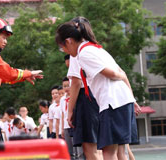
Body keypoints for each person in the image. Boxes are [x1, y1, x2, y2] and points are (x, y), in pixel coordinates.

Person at [55, 16, 141, 160]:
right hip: (120, 100)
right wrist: (131, 97)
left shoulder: (83, 54)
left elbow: (113, 73)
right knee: (119, 150)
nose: (65, 51)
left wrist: (117, 75)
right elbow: (121, 72)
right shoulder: (96, 48)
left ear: (69, 41)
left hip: (112, 102)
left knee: (108, 152)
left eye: (62, 47)